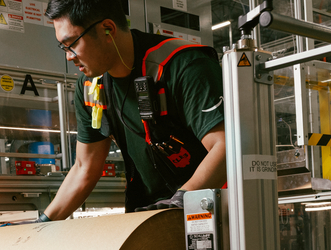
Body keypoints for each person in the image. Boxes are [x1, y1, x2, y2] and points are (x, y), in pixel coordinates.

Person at [39, 0, 226, 222]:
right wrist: (43, 223)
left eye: (72, 44)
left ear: (108, 29)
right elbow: (84, 167)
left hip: (208, 210)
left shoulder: (183, 65)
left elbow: (225, 147)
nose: (69, 56)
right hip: (148, 215)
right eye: (63, 47)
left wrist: (181, 202)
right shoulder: (91, 87)